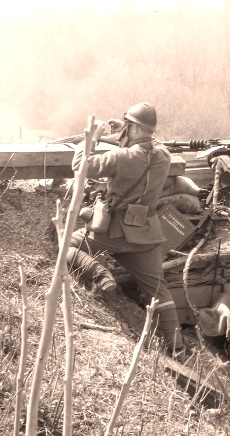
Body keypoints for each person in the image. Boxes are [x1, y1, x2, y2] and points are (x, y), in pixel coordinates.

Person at [66, 102, 185, 359]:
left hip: (112, 233)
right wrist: (127, 132)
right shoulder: (163, 155)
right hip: (146, 234)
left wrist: (90, 138)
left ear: (133, 128)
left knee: (66, 245)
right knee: (159, 291)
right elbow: (148, 147)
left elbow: (81, 165)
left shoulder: (122, 158)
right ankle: (177, 348)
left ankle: (99, 275)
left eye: (127, 127)